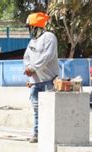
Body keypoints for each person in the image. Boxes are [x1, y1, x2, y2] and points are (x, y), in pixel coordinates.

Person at [23, 12, 59, 143]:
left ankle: (50, 135)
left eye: (30, 27)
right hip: (35, 82)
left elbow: (48, 56)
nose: (29, 30)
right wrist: (28, 67)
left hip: (49, 81)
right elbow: (26, 57)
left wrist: (33, 68)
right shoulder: (32, 42)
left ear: (36, 26)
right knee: (37, 111)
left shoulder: (49, 37)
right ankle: (37, 134)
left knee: (49, 110)